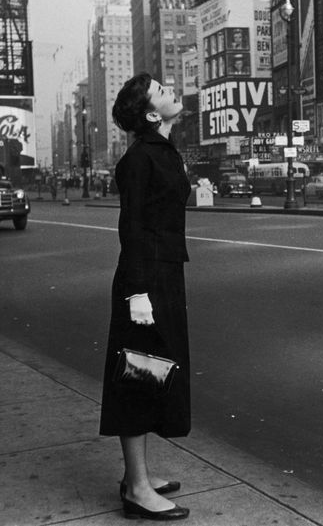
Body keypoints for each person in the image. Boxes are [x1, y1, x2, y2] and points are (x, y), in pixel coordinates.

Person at [100, 72, 191, 521]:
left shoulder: (162, 150)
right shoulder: (140, 159)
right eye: (161, 91)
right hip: (146, 280)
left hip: (163, 274)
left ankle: (140, 474)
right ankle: (136, 488)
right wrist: (138, 292)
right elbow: (131, 227)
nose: (170, 89)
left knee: (155, 371)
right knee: (139, 375)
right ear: (153, 114)